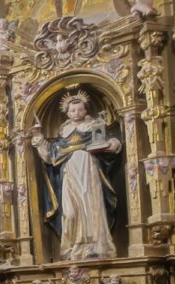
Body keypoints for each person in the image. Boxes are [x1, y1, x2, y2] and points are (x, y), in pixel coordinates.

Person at [31, 89, 122, 261]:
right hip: (70, 174)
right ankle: (73, 248)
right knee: (71, 212)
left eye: (80, 110)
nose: (76, 113)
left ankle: (95, 247)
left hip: (89, 172)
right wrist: (39, 138)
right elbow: (51, 155)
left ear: (86, 110)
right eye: (73, 111)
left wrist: (113, 143)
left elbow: (108, 139)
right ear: (67, 113)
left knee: (91, 208)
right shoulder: (64, 132)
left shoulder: (93, 126)